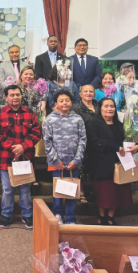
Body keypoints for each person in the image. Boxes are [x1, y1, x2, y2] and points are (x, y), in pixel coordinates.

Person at [0, 85, 41, 229]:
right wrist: (13, 147)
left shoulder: (30, 113)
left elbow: (36, 133)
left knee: (25, 188)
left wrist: (23, 146)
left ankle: (27, 215)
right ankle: (6, 215)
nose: (15, 97)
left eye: (18, 95)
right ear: (6, 97)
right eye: (12, 95)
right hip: (6, 157)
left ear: (21, 96)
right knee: (7, 189)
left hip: (25, 158)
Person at [86, 98, 138, 225]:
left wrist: (137, 147)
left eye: (112, 106)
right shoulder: (93, 123)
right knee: (104, 192)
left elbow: (130, 139)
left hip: (120, 163)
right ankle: (101, 215)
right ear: (100, 108)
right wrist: (116, 147)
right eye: (106, 106)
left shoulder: (120, 125)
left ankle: (110, 216)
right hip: (102, 163)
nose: (109, 109)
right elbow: (94, 141)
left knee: (117, 192)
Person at [43, 89, 86, 225]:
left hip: (73, 163)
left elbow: (83, 140)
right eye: (61, 101)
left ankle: (71, 217)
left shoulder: (78, 119)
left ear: (71, 102)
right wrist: (56, 160)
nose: (64, 103)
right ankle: (57, 214)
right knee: (58, 190)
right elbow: (47, 141)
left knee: (71, 191)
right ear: (56, 103)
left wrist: (77, 160)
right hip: (57, 163)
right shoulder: (50, 119)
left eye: (67, 100)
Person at [72, 84, 98, 203]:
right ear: (80, 94)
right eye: (85, 91)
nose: (88, 93)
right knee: (81, 168)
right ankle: (81, 191)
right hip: (82, 141)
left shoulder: (99, 105)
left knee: (96, 167)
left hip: (97, 141)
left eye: (91, 91)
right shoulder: (76, 108)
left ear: (94, 93)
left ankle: (95, 191)